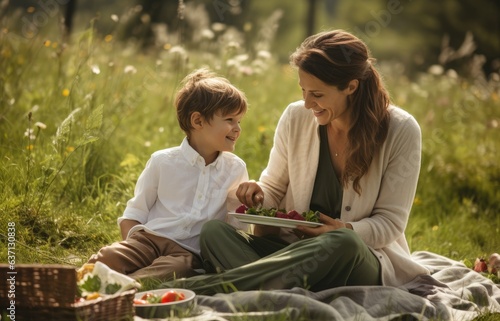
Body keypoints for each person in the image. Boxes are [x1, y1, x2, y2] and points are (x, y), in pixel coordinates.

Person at [161, 29, 430, 294]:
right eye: (303, 90)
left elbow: (390, 223)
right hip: (290, 253)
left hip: (357, 257)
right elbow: (274, 188)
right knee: (214, 233)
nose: (306, 103)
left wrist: (343, 228)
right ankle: (278, 288)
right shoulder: (295, 117)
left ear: (351, 87)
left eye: (317, 94)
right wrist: (256, 196)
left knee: (342, 241)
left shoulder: (401, 129)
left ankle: (206, 288)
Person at [85, 68, 249, 281]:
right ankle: (79, 285)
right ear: (197, 121)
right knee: (109, 256)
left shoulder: (236, 169)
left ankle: (125, 288)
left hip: (188, 253)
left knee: (173, 271)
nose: (237, 129)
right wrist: (133, 249)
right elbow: (134, 214)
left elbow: (236, 227)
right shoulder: (162, 161)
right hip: (148, 240)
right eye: (230, 120)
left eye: (239, 121)